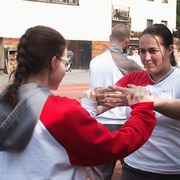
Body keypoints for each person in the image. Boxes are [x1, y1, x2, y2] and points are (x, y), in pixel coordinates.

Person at [0, 25, 156, 180]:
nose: (65, 68)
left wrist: (87, 107)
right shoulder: (63, 112)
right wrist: (143, 109)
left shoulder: (7, 99)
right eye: (65, 62)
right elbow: (113, 146)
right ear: (53, 62)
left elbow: (55, 138)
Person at [96, 23, 180, 180]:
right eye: (142, 51)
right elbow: (101, 104)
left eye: (153, 51)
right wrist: (90, 102)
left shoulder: (177, 79)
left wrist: (149, 101)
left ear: (169, 50)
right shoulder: (134, 78)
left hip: (172, 171)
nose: (146, 58)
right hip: (134, 168)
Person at [89, 23, 143, 180]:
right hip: (122, 122)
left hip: (99, 120)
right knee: (132, 169)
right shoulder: (127, 63)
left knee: (99, 171)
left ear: (110, 38)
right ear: (127, 41)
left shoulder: (94, 61)